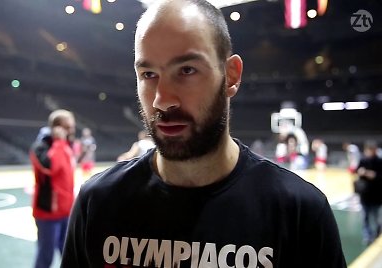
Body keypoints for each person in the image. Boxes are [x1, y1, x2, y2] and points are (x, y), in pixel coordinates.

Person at [61, 1, 346, 267]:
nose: (162, 99)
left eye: (186, 70)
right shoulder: (97, 202)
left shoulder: (300, 212)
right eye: (148, 74)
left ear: (231, 75)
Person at [30, 109, 76, 268]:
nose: (72, 131)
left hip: (67, 211)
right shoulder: (40, 147)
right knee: (46, 255)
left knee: (69, 253)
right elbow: (51, 167)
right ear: (57, 128)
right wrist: (58, 142)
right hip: (48, 212)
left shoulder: (67, 146)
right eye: (68, 127)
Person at [354, 140, 382, 245]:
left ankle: (377, 233)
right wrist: (361, 172)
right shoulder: (363, 160)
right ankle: (367, 236)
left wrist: (374, 175)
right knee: (365, 217)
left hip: (377, 195)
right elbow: (357, 171)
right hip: (365, 194)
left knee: (376, 217)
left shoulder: (379, 162)